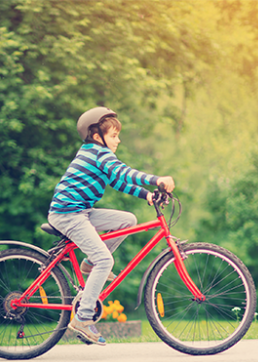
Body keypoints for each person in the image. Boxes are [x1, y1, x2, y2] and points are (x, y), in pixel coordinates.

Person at [48, 107, 175, 346]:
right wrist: (156, 180)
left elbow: (118, 181)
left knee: (127, 220)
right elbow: (124, 172)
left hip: (80, 211)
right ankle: (83, 319)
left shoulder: (95, 153)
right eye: (114, 135)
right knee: (106, 260)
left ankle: (90, 263)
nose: (118, 139)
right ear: (98, 136)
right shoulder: (99, 153)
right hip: (68, 214)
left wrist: (147, 195)